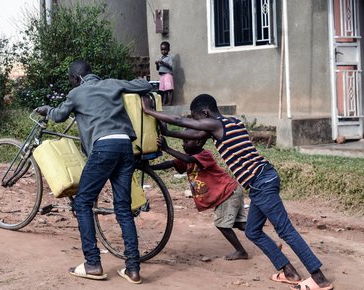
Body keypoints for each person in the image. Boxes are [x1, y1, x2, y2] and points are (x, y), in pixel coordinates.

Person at [141, 94, 333, 290]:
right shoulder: (233, 122)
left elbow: (181, 120)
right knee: (252, 231)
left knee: (285, 231)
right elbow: (194, 135)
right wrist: (167, 132)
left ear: (205, 113)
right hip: (261, 182)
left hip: (261, 181)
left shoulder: (216, 125)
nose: (197, 124)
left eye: (197, 119)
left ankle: (319, 279)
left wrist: (149, 111)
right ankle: (289, 272)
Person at [36, 60, 152, 284]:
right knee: (123, 209)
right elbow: (143, 86)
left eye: (71, 79)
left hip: (103, 148)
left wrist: (47, 110)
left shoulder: (77, 93)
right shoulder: (111, 84)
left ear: (75, 79)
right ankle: (133, 270)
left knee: (82, 203)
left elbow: (59, 116)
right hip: (125, 146)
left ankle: (93, 263)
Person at [150, 129, 249, 260]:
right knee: (240, 224)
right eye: (182, 141)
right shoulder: (186, 159)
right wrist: (150, 167)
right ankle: (268, 242)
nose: (183, 144)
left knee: (222, 224)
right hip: (230, 191)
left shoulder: (204, 155)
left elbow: (188, 158)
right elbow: (170, 163)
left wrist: (167, 148)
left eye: (186, 141)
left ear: (198, 141)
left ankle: (241, 251)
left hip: (227, 193)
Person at [155, 41, 174, 106]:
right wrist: (157, 64)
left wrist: (162, 63)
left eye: (165, 49)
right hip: (162, 75)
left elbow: (170, 66)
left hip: (167, 75)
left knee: (169, 89)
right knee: (164, 90)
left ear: (168, 50)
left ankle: (170, 102)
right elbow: (158, 69)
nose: (163, 51)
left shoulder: (169, 57)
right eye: (162, 50)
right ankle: (164, 102)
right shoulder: (160, 58)